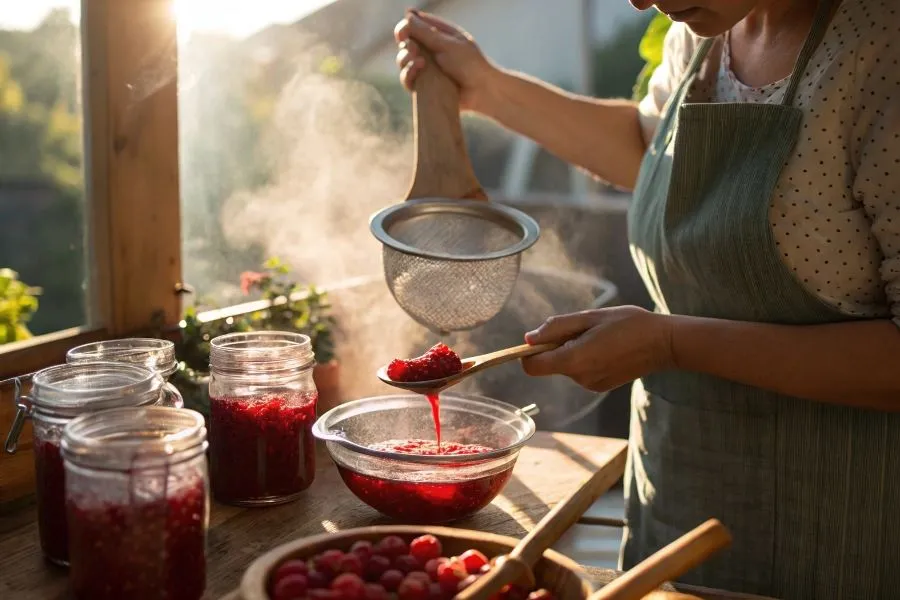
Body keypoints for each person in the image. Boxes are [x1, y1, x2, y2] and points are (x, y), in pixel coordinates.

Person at [394, 1, 900, 598]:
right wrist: (489, 87)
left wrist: (668, 343)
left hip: (844, 536)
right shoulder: (707, 34)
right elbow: (652, 147)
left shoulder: (881, 53)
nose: (637, 0)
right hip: (678, 496)